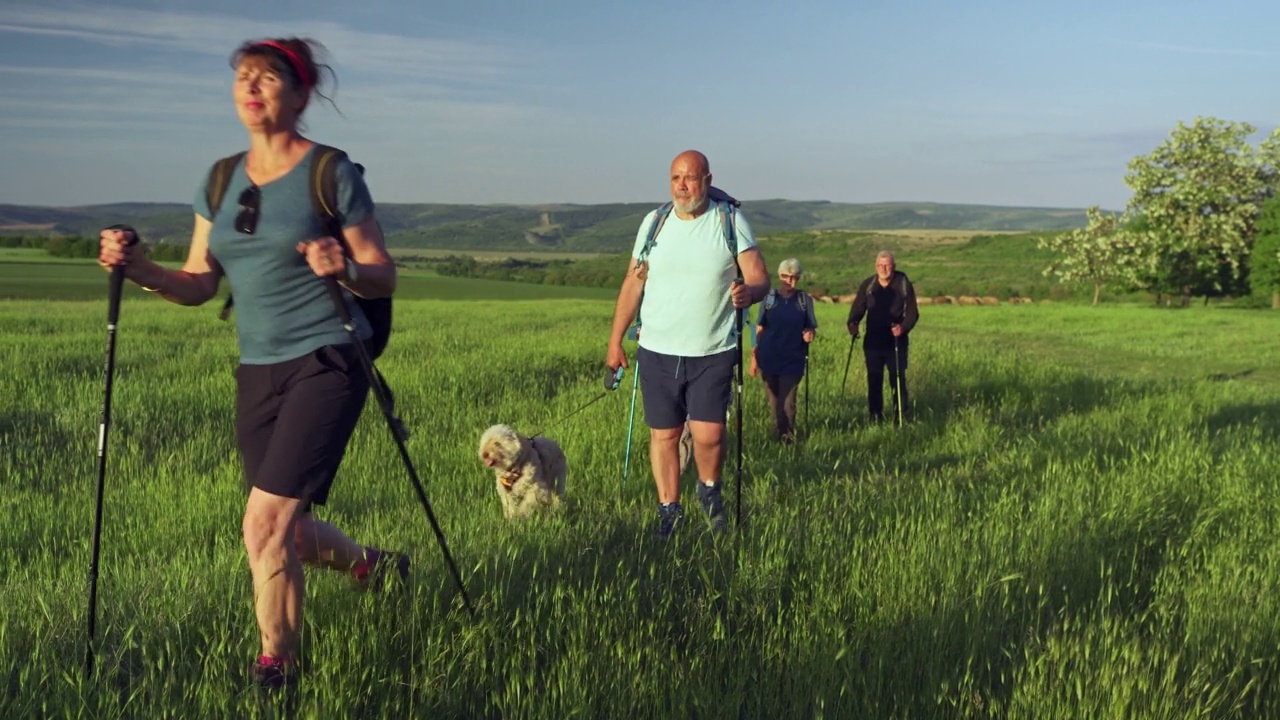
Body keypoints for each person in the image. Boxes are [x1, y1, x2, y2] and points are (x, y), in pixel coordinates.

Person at [97, 37, 406, 690]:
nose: (253, 87)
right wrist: (138, 268)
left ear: (300, 94)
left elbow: (382, 276)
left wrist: (343, 268)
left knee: (262, 523)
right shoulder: (219, 179)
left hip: (327, 360)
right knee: (288, 533)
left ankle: (277, 673)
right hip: (257, 370)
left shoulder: (330, 172)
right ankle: (373, 566)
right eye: (244, 77)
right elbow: (197, 282)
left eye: (269, 78)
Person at [605, 150, 769, 538]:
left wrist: (750, 292)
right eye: (676, 178)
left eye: (690, 178)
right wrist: (615, 343)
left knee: (709, 434)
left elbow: (760, 278)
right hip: (658, 349)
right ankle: (668, 511)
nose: (682, 186)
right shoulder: (655, 223)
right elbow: (633, 283)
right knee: (664, 434)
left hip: (712, 349)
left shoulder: (729, 221)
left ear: (707, 180)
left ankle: (710, 491)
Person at [846, 250, 919, 424]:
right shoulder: (868, 285)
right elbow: (858, 308)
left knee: (897, 380)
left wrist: (903, 328)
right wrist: (852, 323)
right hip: (872, 342)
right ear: (875, 266)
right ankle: (875, 418)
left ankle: (900, 418)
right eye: (880, 265)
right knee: (874, 380)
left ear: (893, 266)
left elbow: (913, 313)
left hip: (896, 342)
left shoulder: (903, 284)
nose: (884, 268)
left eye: (887, 265)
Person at [749, 258, 817, 443]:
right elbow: (759, 328)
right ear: (780, 276)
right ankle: (777, 437)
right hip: (768, 358)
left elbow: (810, 327)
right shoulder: (769, 299)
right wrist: (754, 358)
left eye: (794, 277)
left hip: (793, 359)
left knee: (788, 403)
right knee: (774, 403)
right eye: (786, 277)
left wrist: (809, 334)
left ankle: (787, 439)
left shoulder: (804, 300)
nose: (790, 281)